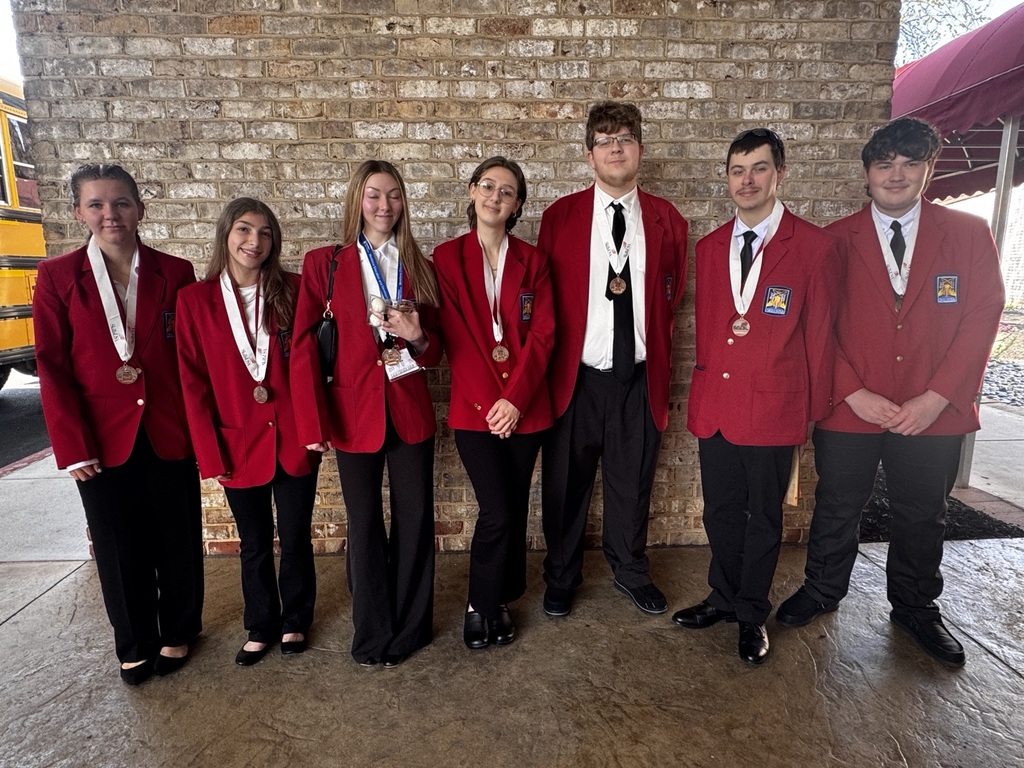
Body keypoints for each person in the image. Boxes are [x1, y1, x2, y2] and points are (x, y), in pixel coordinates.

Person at [775, 118, 1004, 667]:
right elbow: (818, 325)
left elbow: (982, 316)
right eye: (885, 165)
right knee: (836, 505)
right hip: (851, 407)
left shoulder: (968, 234)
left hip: (933, 412)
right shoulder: (834, 240)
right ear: (867, 175)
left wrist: (937, 397)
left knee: (923, 512)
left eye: (909, 163)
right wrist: (851, 391)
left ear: (928, 168)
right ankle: (823, 589)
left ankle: (916, 606)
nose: (896, 174)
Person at [672, 128, 839, 665]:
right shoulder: (710, 245)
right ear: (728, 178)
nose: (747, 180)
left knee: (764, 517)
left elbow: (819, 336)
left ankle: (750, 612)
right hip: (716, 406)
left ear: (780, 173)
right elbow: (712, 331)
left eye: (759, 168)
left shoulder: (814, 247)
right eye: (738, 170)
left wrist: (809, 414)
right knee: (720, 510)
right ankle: (721, 597)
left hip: (773, 406)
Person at [33, 163, 204, 685]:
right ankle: (133, 642)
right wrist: (70, 446)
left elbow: (191, 358)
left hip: (168, 429)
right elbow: (52, 365)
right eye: (97, 205)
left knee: (176, 537)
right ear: (78, 212)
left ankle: (179, 629)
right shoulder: (58, 277)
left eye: (121, 203)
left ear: (140, 209)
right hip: (99, 441)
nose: (111, 214)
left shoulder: (175, 272)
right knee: (117, 543)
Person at [538, 101, 689, 618]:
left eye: (625, 137)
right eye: (604, 140)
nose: (616, 147)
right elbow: (546, 297)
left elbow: (671, 295)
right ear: (589, 155)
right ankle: (560, 575)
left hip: (638, 377)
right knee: (564, 483)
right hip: (575, 378)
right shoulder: (559, 216)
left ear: (640, 150)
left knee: (633, 480)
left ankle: (630, 568)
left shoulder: (669, 219)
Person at [290, 160, 442, 668]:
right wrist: (312, 424)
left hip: (409, 409)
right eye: (375, 195)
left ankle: (413, 626)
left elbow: (437, 351)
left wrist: (417, 335)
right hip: (351, 414)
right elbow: (303, 349)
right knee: (364, 523)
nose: (385, 206)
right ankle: (373, 631)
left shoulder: (420, 264)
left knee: (416, 520)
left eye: (394, 196)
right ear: (357, 199)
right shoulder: (325, 263)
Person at [176, 198, 320, 667]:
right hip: (236, 442)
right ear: (225, 234)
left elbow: (312, 364)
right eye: (243, 229)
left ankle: (296, 618)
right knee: (254, 542)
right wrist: (209, 455)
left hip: (294, 438)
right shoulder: (194, 301)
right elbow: (191, 382)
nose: (253, 241)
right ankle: (261, 624)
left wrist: (317, 428)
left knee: (296, 537)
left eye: (264, 233)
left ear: (274, 242)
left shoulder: (294, 290)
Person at [433, 157, 555, 650]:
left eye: (508, 192)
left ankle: (501, 597)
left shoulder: (534, 260)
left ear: (518, 205)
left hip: (527, 411)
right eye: (488, 187)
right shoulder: (445, 257)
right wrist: (494, 403)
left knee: (514, 505)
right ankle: (479, 603)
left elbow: (544, 335)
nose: (496, 197)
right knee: (497, 509)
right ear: (471, 192)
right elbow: (455, 339)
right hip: (475, 411)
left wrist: (516, 400)